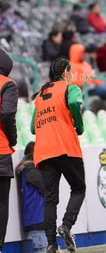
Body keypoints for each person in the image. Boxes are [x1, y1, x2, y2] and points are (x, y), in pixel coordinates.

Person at [31, 57, 85, 253]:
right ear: (66, 72)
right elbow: (72, 103)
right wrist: (78, 125)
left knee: (50, 198)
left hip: (43, 151)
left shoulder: (39, 95)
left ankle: (51, 245)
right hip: (64, 146)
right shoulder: (70, 88)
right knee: (79, 188)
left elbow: (32, 128)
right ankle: (67, 226)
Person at [15, 142, 47, 253]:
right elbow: (47, 187)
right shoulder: (32, 171)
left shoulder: (27, 169)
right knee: (42, 248)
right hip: (38, 217)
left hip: (35, 217)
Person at [0, 48, 17, 253]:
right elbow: (7, 115)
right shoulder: (7, 84)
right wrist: (13, 138)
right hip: (1, 150)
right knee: (1, 204)